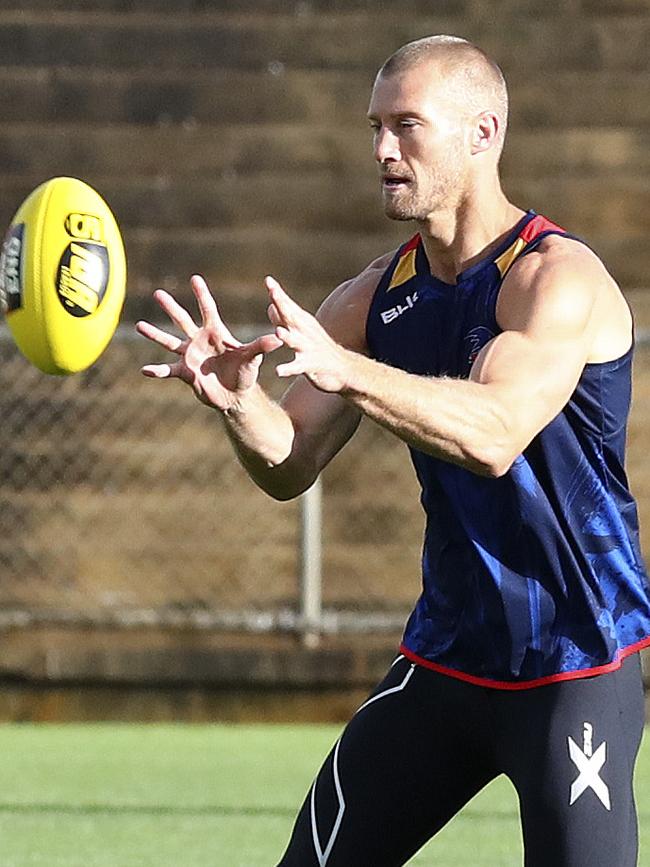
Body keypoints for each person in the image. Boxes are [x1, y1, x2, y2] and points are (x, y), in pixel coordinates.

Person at [136, 35, 650, 867]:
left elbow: (492, 433)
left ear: (482, 133)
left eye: (407, 126)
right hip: (447, 659)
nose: (382, 149)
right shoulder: (376, 297)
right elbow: (289, 460)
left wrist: (349, 371)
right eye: (375, 126)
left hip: (576, 664)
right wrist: (241, 404)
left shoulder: (558, 279)